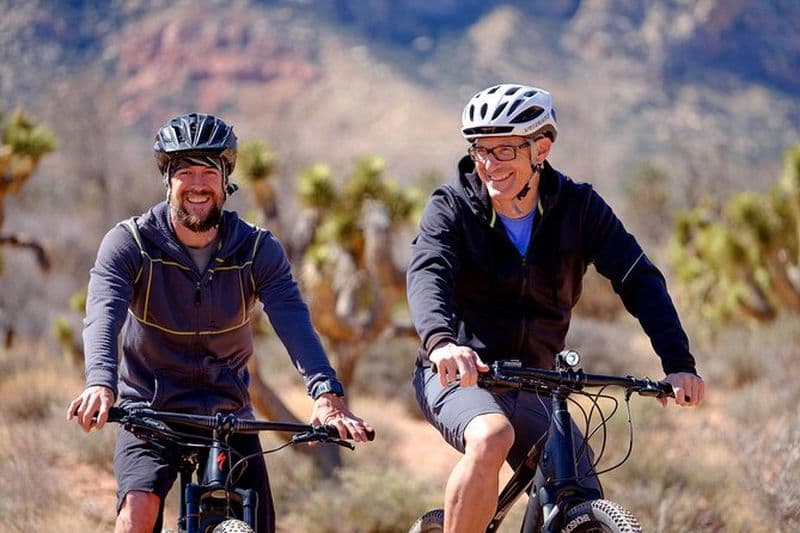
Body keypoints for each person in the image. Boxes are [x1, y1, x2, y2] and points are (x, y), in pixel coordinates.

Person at [407, 84, 705, 532]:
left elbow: (638, 279)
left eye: (504, 149)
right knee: (490, 437)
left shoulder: (579, 207)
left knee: (579, 494)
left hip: (536, 380)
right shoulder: (451, 206)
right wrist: (442, 343)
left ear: (540, 148)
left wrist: (678, 363)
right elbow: (429, 271)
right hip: (458, 372)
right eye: (481, 149)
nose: (489, 164)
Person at [67, 112, 372, 533]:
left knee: (258, 524)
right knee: (137, 515)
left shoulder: (256, 249)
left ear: (225, 179)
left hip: (227, 410)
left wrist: (326, 394)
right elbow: (103, 311)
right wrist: (100, 381)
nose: (197, 184)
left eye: (208, 171)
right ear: (168, 180)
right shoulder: (132, 242)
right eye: (184, 172)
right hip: (150, 410)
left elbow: (294, 320)